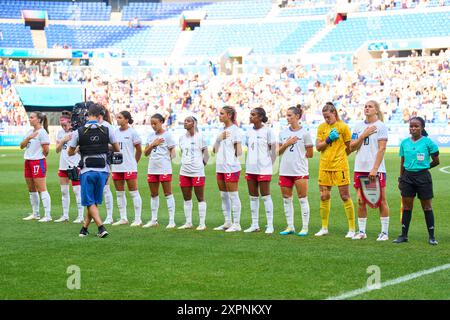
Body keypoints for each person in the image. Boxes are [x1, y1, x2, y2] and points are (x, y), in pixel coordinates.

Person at [68, 103, 120, 238]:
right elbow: (116, 148)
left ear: (87, 115)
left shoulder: (78, 132)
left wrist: (80, 148)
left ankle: (101, 228)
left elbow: (70, 152)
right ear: (99, 116)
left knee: (89, 201)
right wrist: (103, 146)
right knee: (94, 202)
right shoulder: (108, 129)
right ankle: (84, 228)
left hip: (87, 170)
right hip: (103, 170)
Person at [394, 117, 440, 245]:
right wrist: (401, 178)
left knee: (427, 207)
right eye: (411, 126)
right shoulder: (404, 143)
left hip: (423, 177)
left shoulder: (428, 142)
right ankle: (404, 235)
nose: (413, 128)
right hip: (407, 177)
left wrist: (424, 167)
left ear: (422, 128)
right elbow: (402, 162)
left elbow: (436, 161)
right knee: (407, 207)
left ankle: (431, 237)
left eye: (416, 126)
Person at [350, 101, 390, 241]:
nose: (367, 108)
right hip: (359, 168)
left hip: (375, 170)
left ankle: (384, 233)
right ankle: (361, 231)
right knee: (360, 200)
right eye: (365, 106)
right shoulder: (358, 126)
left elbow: (382, 148)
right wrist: (363, 135)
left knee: (380, 200)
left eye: (370, 106)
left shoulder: (381, 126)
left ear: (376, 110)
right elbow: (352, 147)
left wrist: (374, 169)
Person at [315, 102, 355, 238]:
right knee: (324, 196)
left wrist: (341, 157)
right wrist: (328, 139)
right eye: (324, 117)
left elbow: (350, 147)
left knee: (345, 196)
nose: (326, 119)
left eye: (328, 116)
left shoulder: (343, 127)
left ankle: (351, 228)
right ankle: (324, 227)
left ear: (334, 113)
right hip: (324, 166)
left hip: (340, 166)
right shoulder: (321, 127)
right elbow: (318, 147)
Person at [277, 105, 313, 236]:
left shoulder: (305, 133)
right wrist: (287, 143)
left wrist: (298, 157)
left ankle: (304, 227)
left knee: (302, 198)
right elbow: (277, 152)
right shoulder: (283, 133)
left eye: (290, 115)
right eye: (286, 115)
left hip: (299, 171)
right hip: (285, 171)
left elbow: (310, 154)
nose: (287, 118)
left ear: (297, 117)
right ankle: (290, 226)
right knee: (286, 199)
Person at [244, 107, 277, 234]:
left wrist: (269, 165)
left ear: (260, 117)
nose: (250, 116)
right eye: (250, 114)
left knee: (266, 196)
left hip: (264, 169)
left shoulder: (268, 132)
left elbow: (273, 151)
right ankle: (255, 224)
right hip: (251, 168)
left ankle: (270, 225)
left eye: (253, 115)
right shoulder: (248, 132)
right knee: (253, 197)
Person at [213, 106, 243, 233]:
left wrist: (231, 160)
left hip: (231, 167)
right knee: (223, 195)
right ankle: (227, 222)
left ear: (229, 115)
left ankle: (236, 224)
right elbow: (214, 150)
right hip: (220, 167)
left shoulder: (235, 130)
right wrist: (219, 139)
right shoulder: (221, 130)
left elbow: (239, 151)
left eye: (222, 113)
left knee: (233, 195)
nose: (219, 116)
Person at [144, 113, 176, 229]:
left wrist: (171, 159)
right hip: (152, 168)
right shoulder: (150, 136)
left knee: (168, 193)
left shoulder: (167, 136)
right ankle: (154, 220)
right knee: (153, 194)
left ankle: (171, 221)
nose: (153, 126)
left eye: (155, 123)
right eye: (151, 123)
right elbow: (146, 153)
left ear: (161, 122)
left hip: (164, 168)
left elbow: (173, 150)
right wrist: (153, 144)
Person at [111, 111, 143, 227]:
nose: (117, 120)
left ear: (126, 119)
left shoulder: (132, 133)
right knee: (119, 193)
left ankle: (138, 219)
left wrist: (134, 163)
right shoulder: (114, 132)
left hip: (129, 166)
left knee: (134, 192)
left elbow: (139, 150)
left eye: (120, 118)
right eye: (117, 117)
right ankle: (123, 217)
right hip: (116, 166)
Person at [178, 116, 209, 231]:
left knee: (200, 197)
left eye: (188, 121)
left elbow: (206, 155)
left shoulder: (201, 137)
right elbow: (183, 153)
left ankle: (202, 223)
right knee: (186, 198)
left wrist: (200, 167)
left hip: (197, 172)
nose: (185, 122)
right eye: (184, 120)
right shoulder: (181, 138)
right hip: (184, 172)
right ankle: (188, 222)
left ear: (194, 124)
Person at [21, 111, 52, 222]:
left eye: (32, 117)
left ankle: (48, 215)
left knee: (42, 188)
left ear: (38, 120)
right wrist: (29, 138)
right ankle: (36, 213)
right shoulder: (30, 132)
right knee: (31, 189)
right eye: (30, 117)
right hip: (28, 161)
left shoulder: (42, 132)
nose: (30, 119)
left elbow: (46, 150)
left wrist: (39, 157)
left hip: (37, 162)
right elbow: (21, 146)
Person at [54, 111, 84, 223]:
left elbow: (82, 147)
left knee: (77, 191)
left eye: (64, 123)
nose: (63, 126)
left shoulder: (77, 132)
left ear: (70, 122)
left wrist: (77, 148)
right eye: (61, 124)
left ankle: (80, 216)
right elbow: (57, 150)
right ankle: (65, 215)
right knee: (64, 191)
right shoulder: (60, 133)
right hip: (63, 166)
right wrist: (62, 141)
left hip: (75, 165)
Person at [98, 106, 115, 224]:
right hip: (91, 159)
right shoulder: (90, 126)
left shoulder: (107, 126)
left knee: (105, 188)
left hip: (104, 159)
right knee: (94, 189)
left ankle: (109, 216)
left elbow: (114, 145)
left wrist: (100, 145)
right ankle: (94, 215)